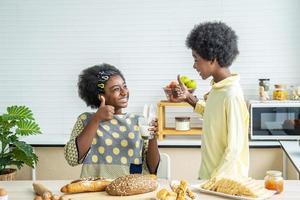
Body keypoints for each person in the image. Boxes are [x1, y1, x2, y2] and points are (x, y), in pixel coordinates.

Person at [172, 22, 249, 179]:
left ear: (212, 59)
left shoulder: (232, 94)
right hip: (209, 178)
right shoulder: (219, 89)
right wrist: (189, 98)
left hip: (224, 183)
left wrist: (212, 182)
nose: (194, 65)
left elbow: (234, 149)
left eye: (196, 59)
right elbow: (213, 115)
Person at [64, 63, 160, 178]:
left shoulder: (139, 121)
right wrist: (96, 119)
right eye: (116, 89)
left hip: (131, 192)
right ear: (101, 96)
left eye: (124, 86)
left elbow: (153, 169)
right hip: (94, 193)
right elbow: (72, 159)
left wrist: (152, 137)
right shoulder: (86, 120)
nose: (124, 92)